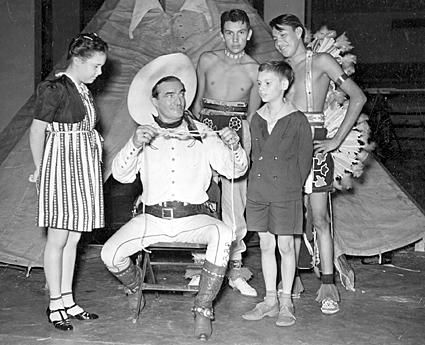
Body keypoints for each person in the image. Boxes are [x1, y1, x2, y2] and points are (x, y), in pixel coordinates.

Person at [100, 53, 248, 341]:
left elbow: (235, 169)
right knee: (110, 254)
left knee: (224, 233)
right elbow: (120, 175)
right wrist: (133, 143)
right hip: (151, 219)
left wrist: (234, 146)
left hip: (193, 219)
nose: (178, 101)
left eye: (181, 94)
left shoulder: (202, 133)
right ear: (154, 101)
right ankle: (135, 288)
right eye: (169, 95)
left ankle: (203, 309)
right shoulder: (143, 135)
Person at [269, 14, 367, 314]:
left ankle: (328, 285)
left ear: (300, 32)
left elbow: (358, 97)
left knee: (320, 218)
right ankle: (291, 280)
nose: (280, 42)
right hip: (285, 149)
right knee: (287, 219)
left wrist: (336, 140)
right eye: (275, 38)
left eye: (284, 35)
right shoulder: (280, 70)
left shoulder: (321, 61)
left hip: (316, 148)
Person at [29, 33, 108, 331]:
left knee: (74, 238)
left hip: (82, 167)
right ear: (78, 60)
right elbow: (37, 132)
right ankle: (54, 304)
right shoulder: (55, 88)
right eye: (96, 66)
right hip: (61, 166)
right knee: (58, 238)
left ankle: (68, 300)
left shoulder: (83, 89)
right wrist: (41, 170)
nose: (100, 72)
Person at [191, 8, 261, 297]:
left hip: (236, 134)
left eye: (241, 32)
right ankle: (200, 270)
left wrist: (246, 146)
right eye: (229, 33)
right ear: (222, 34)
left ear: (249, 34)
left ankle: (235, 271)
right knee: (203, 199)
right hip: (205, 131)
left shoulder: (255, 69)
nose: (235, 39)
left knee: (234, 204)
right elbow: (195, 105)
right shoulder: (207, 60)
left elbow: (254, 115)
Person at [241, 60, 312, 326]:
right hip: (259, 191)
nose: (261, 88)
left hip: (286, 191)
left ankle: (286, 302)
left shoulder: (297, 120)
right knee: (266, 245)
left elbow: (304, 161)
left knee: (285, 246)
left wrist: (294, 190)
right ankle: (270, 300)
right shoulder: (256, 118)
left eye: (267, 83)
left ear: (284, 85)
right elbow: (253, 156)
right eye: (259, 83)